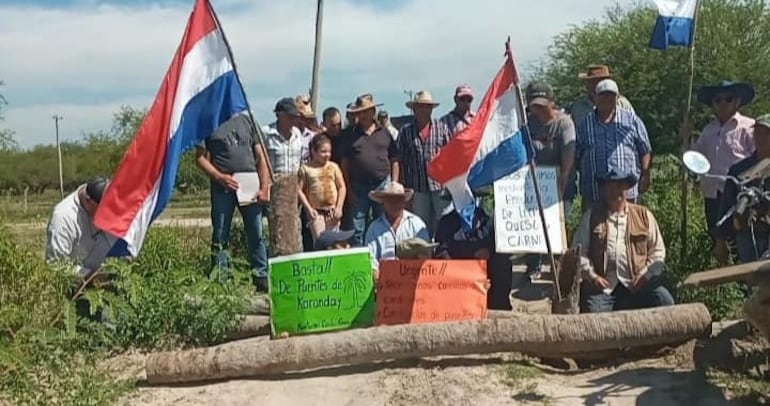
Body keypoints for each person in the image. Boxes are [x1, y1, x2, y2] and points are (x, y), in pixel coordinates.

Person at [573, 169, 675, 313]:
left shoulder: (644, 215)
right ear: (604, 189)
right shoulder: (591, 216)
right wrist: (593, 276)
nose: (614, 191)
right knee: (595, 319)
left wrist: (646, 275)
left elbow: (658, 252)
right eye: (610, 186)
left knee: (665, 301)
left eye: (619, 186)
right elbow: (578, 252)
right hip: (604, 291)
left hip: (638, 287)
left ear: (627, 188)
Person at [196, 113, 271, 290]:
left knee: (257, 232)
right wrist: (219, 177)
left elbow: (261, 157)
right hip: (223, 187)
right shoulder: (208, 120)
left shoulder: (248, 119)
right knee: (221, 233)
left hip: (250, 185)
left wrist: (264, 187)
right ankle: (222, 278)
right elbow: (199, 158)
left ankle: (261, 275)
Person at [689, 80, 756, 264]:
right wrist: (687, 139)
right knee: (717, 238)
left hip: (739, 195)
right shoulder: (708, 131)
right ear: (713, 105)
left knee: (741, 240)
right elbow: (696, 157)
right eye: (718, 100)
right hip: (713, 194)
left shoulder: (748, 127)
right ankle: (723, 281)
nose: (723, 103)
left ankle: (745, 283)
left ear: (737, 101)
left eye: (728, 99)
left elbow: (758, 159)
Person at [524, 81, 577, 281]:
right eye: (534, 105)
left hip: (562, 180)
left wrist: (562, 181)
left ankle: (559, 267)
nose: (537, 109)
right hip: (536, 184)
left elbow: (569, 153)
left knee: (560, 225)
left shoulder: (564, 123)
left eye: (541, 104)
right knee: (534, 224)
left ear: (551, 102)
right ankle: (533, 265)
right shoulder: (529, 123)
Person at [575, 79, 652, 212]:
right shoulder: (585, 125)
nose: (606, 99)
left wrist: (645, 174)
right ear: (595, 97)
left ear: (617, 98)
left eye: (610, 95)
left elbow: (644, 149)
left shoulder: (631, 120)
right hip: (594, 192)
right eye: (603, 95)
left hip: (627, 192)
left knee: (629, 228)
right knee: (595, 230)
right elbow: (576, 155)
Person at [433, 187, 512, 310]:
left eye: (468, 198)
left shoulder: (488, 220)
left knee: (503, 261)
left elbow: (499, 246)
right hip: (456, 276)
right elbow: (441, 252)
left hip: (486, 277)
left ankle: (499, 307)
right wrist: (467, 270)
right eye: (459, 198)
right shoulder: (445, 222)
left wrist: (489, 251)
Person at [392, 90, 454, 236]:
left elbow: (450, 156)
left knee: (444, 221)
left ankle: (442, 253)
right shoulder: (405, 132)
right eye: (420, 106)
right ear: (414, 109)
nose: (423, 110)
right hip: (417, 188)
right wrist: (403, 188)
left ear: (431, 109)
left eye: (426, 106)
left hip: (440, 186)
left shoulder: (442, 128)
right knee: (420, 225)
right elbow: (400, 161)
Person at [341, 93, 398, 247]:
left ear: (373, 111)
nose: (363, 115)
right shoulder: (350, 134)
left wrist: (394, 183)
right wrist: (348, 188)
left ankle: (383, 256)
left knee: (384, 224)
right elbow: (344, 164)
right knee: (356, 228)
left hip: (382, 184)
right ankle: (359, 260)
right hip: (358, 186)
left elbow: (394, 159)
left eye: (366, 111)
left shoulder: (385, 132)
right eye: (360, 112)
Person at [715, 113, 770, 264]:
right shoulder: (739, 170)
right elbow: (726, 205)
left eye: (767, 133)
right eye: (758, 133)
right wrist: (720, 240)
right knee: (752, 282)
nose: (762, 137)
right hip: (747, 235)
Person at [45, 176, 119, 278]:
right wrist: (89, 276)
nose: (107, 214)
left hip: (110, 278)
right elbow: (56, 265)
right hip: (77, 284)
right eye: (102, 210)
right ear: (88, 201)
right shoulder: (63, 218)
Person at [364, 181, 429, 279]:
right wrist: (377, 278)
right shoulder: (374, 229)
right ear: (383, 202)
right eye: (390, 199)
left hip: (413, 278)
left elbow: (426, 256)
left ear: (404, 201)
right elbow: (371, 260)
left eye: (398, 199)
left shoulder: (416, 224)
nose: (394, 203)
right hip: (385, 282)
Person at [298, 133, 347, 241]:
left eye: (329, 152)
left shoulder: (333, 167)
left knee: (334, 242)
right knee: (320, 242)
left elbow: (341, 187)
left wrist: (339, 207)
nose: (327, 155)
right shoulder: (306, 169)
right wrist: (309, 209)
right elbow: (299, 190)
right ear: (313, 151)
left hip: (332, 211)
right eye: (323, 152)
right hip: (316, 212)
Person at [569, 64, 635, 125]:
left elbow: (634, 126)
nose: (596, 86)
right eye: (592, 82)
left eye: (600, 81)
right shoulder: (579, 108)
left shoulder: (622, 104)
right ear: (587, 85)